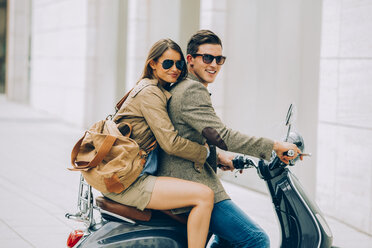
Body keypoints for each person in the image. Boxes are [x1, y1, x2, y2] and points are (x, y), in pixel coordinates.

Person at [157, 30, 302, 248]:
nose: (214, 64)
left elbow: (192, 136)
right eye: (207, 58)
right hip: (191, 185)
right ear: (190, 60)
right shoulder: (192, 91)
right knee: (256, 239)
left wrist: (220, 158)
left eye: (219, 59)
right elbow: (222, 136)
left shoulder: (185, 87)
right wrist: (273, 146)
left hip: (185, 179)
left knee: (227, 239)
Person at [105, 38, 214, 248]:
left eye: (178, 64)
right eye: (167, 63)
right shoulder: (151, 92)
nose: (174, 69)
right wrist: (205, 153)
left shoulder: (151, 87)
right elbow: (171, 142)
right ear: (152, 64)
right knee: (204, 196)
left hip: (127, 176)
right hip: (129, 182)